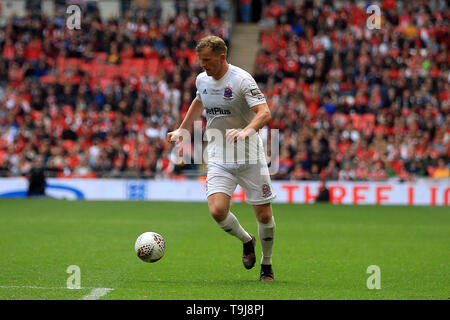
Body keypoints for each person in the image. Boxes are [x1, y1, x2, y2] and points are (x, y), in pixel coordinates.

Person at [167, 35, 276, 281]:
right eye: (201, 60)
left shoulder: (241, 80)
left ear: (222, 57)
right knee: (217, 211)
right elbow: (198, 101)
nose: (203, 65)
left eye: (207, 60)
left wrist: (247, 131)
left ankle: (266, 265)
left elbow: (265, 112)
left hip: (250, 157)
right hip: (218, 156)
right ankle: (247, 241)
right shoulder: (202, 80)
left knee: (265, 215)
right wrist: (182, 129)